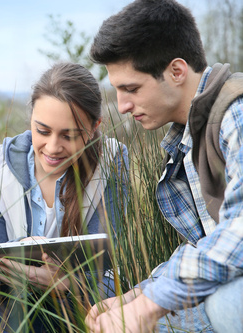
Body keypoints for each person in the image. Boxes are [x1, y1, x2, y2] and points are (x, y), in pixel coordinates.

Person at [86, 0, 243, 332]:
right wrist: (136, 295)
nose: (123, 106)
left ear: (176, 71)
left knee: (229, 305)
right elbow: (211, 245)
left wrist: (147, 308)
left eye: (131, 89)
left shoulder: (236, 115)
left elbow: (239, 234)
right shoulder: (188, 140)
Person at [0, 62, 129, 332]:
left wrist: (67, 284)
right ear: (31, 118)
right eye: (42, 131)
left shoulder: (113, 163)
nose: (53, 147)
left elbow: (108, 270)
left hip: (86, 307)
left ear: (94, 127)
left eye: (69, 135)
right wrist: (24, 260)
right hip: (13, 305)